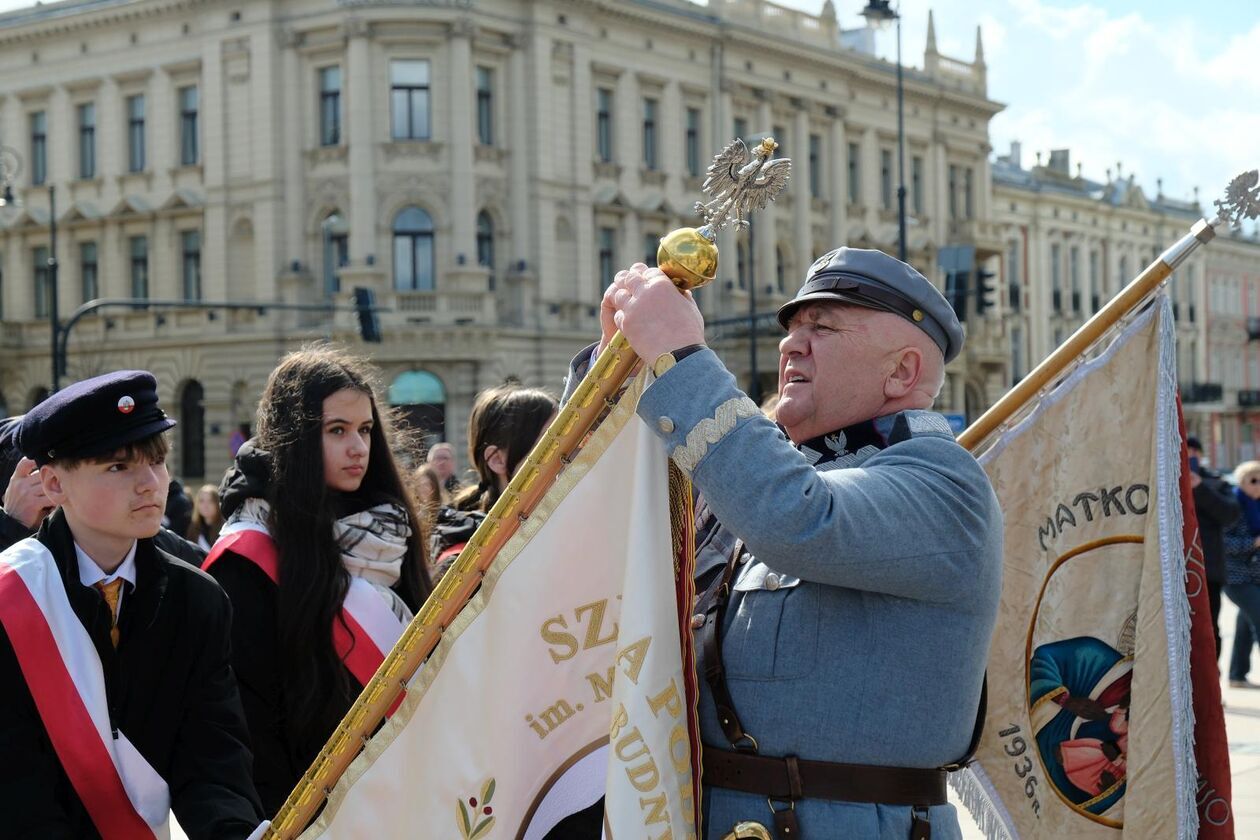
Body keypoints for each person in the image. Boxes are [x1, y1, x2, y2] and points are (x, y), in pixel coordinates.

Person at [570, 249, 1002, 839]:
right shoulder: (756, 477)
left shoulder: (944, 484)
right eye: (793, 329)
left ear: (902, 373)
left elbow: (798, 520)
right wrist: (620, 370)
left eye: (821, 327)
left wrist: (683, 359)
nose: (790, 346)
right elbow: (633, 539)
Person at [0, 371, 264, 838]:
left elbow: (214, 756)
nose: (150, 483)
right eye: (118, 466)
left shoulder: (198, 599)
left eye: (157, 461)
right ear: (55, 485)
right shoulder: (11, 595)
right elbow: (17, 782)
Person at [202, 347, 432, 814]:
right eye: (337, 431)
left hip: (410, 792)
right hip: (313, 808)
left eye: (366, 430)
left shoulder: (392, 530)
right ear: (294, 437)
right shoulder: (248, 559)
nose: (358, 448)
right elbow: (252, 729)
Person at [429, 385, 557, 583]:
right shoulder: (464, 562)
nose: (565, 452)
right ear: (497, 460)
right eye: (548, 443)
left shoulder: (567, 526)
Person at [1185, 436, 1240, 656]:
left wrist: (1198, 487)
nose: (1188, 456)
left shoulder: (1217, 482)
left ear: (1200, 455)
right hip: (1173, 569)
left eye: (1193, 452)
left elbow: (1229, 514)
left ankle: (1210, 681)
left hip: (1208, 569)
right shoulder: (1162, 479)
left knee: (1209, 629)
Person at [1223, 461, 1260, 690]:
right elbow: (1223, 542)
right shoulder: (1232, 506)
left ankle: (1237, 674)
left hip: (1255, 576)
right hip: (1235, 578)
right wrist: (1253, 543)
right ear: (1242, 482)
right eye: (1254, 480)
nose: (1258, 484)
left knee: (1245, 625)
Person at [189, 483, 225, 552]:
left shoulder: (225, 529)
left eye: (210, 501)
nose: (205, 506)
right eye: (201, 501)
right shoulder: (193, 527)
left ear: (217, 504)